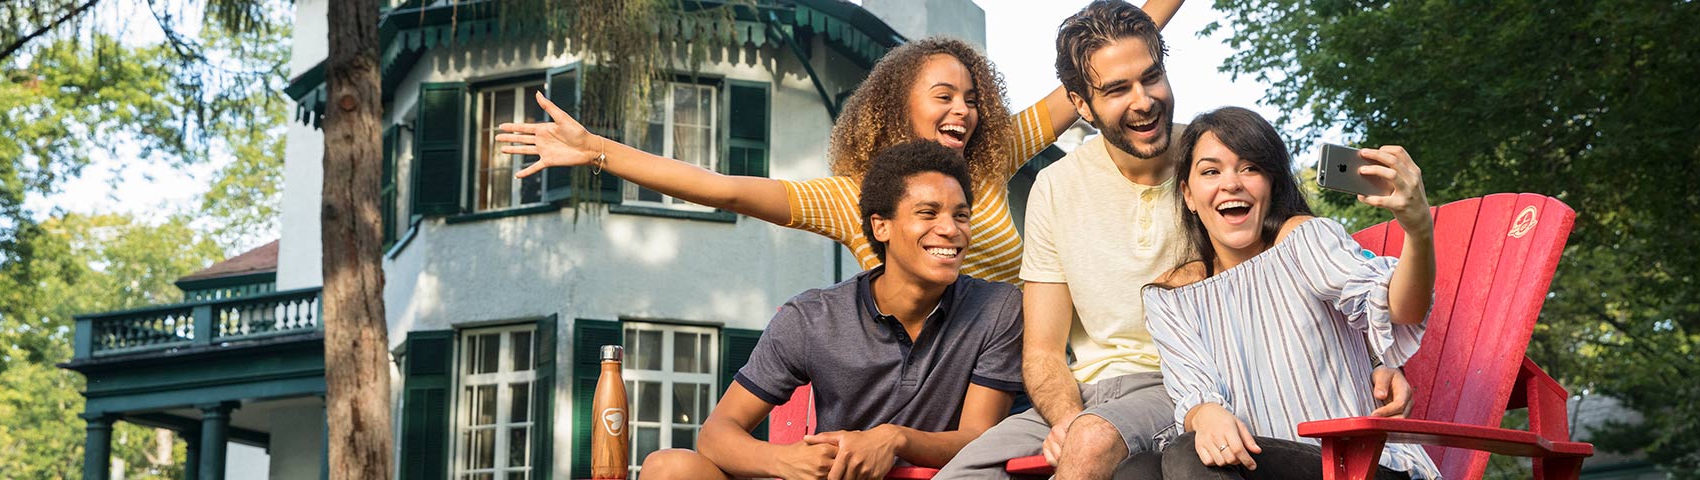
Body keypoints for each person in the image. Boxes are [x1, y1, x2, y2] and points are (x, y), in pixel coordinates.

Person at [935, 3, 1413, 480]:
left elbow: (1302, 274)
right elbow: (1042, 352)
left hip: (1182, 385)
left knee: (1095, 440)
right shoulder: (1055, 187)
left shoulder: (1216, 168)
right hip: (1082, 393)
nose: (1143, 100)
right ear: (1080, 105)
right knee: (963, 474)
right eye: (1117, 89)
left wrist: (1381, 360)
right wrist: (1064, 415)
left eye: (1151, 77)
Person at [493, 0, 1185, 285]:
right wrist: (599, 151)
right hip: (922, 389)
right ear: (897, 109)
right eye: (944, 97)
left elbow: (1093, 71)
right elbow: (724, 187)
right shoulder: (849, 198)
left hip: (1019, 375)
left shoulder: (993, 154)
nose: (965, 112)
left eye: (972, 99)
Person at [637, 140, 1026, 480]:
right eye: (928, 213)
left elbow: (978, 439)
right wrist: (784, 460)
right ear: (881, 227)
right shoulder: (812, 318)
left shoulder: (997, 309)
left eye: (961, 215)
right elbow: (716, 433)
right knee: (669, 468)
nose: (951, 229)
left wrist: (893, 438)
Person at [1113, 107, 1441, 479]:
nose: (1231, 183)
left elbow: (1400, 307)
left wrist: (1418, 229)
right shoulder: (1169, 297)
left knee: (1188, 454)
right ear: (1188, 194)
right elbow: (1193, 389)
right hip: (1257, 465)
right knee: (1137, 470)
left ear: (1272, 184)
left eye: (1250, 167)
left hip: (1358, 466)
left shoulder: (1303, 240)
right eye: (1210, 171)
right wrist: (1205, 414)